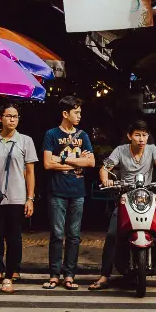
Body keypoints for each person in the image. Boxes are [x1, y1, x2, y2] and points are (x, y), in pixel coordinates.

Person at [90, 120, 156, 292]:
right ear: (129, 136)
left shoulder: (151, 149)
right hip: (125, 196)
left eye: (144, 135)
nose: (141, 139)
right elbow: (105, 168)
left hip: (148, 195)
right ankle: (104, 276)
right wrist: (105, 177)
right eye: (137, 135)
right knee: (112, 234)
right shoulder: (120, 150)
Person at [0, 103, 38, 293]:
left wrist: (30, 198)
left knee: (13, 238)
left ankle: (8, 277)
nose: (12, 119)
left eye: (16, 116)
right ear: (0, 118)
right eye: (9, 116)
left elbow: (30, 172)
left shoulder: (25, 141)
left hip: (17, 197)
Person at [42, 96, 95, 290]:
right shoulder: (51, 134)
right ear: (65, 114)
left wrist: (63, 160)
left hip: (77, 191)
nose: (79, 116)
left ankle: (69, 274)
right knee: (57, 234)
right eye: (76, 112)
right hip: (57, 191)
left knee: (73, 235)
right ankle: (54, 274)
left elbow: (91, 162)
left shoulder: (83, 136)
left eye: (80, 112)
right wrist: (76, 158)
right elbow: (47, 163)